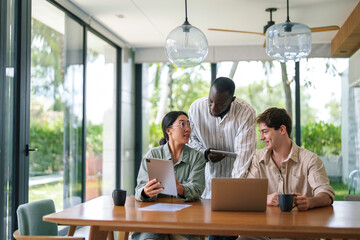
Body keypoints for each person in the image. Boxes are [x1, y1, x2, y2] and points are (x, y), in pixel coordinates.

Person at [241, 107, 335, 240]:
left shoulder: (310, 160)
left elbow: (326, 194)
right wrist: (265, 198)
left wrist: (310, 202)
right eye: (261, 133)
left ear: (282, 129)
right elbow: (247, 192)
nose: (261, 138)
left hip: (297, 232)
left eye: (265, 132)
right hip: (263, 231)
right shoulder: (257, 158)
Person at [133, 111, 206, 240]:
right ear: (169, 130)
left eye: (189, 124)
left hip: (185, 219)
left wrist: (179, 188)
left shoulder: (197, 157)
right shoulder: (153, 155)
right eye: (182, 124)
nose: (188, 129)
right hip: (154, 220)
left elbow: (198, 188)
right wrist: (145, 192)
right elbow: (139, 189)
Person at [188, 77, 256, 200]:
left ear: (232, 100)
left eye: (220, 104)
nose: (213, 108)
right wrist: (205, 154)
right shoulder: (195, 109)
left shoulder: (246, 113)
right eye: (210, 101)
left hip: (236, 189)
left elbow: (243, 155)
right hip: (205, 188)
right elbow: (190, 141)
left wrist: (232, 191)